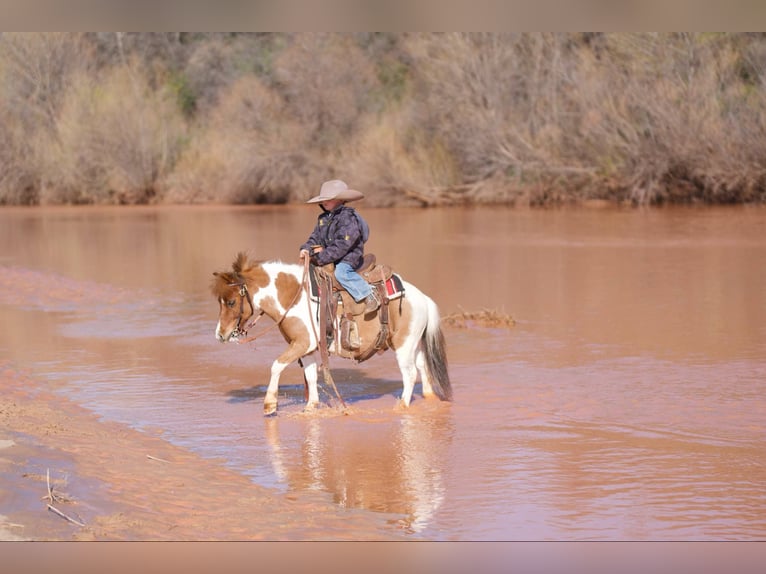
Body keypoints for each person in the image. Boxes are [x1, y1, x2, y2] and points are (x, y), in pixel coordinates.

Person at [299, 179, 379, 313]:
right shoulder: (323, 218)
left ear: (341, 200)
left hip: (349, 257)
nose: (324, 202)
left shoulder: (348, 218)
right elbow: (315, 237)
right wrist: (306, 248)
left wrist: (320, 257)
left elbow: (343, 244)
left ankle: (369, 294)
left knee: (341, 273)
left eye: (329, 199)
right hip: (329, 256)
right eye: (323, 199)